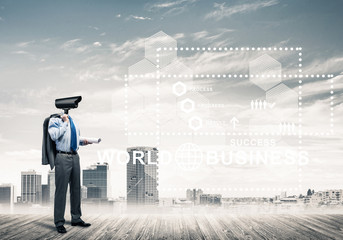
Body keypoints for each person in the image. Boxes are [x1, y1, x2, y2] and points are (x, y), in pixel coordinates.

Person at [48, 113, 91, 234]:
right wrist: (65, 123)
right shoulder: (55, 120)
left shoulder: (74, 122)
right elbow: (54, 135)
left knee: (76, 189)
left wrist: (83, 142)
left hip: (75, 156)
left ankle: (76, 218)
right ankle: (59, 222)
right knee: (61, 190)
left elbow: (74, 138)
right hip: (62, 156)